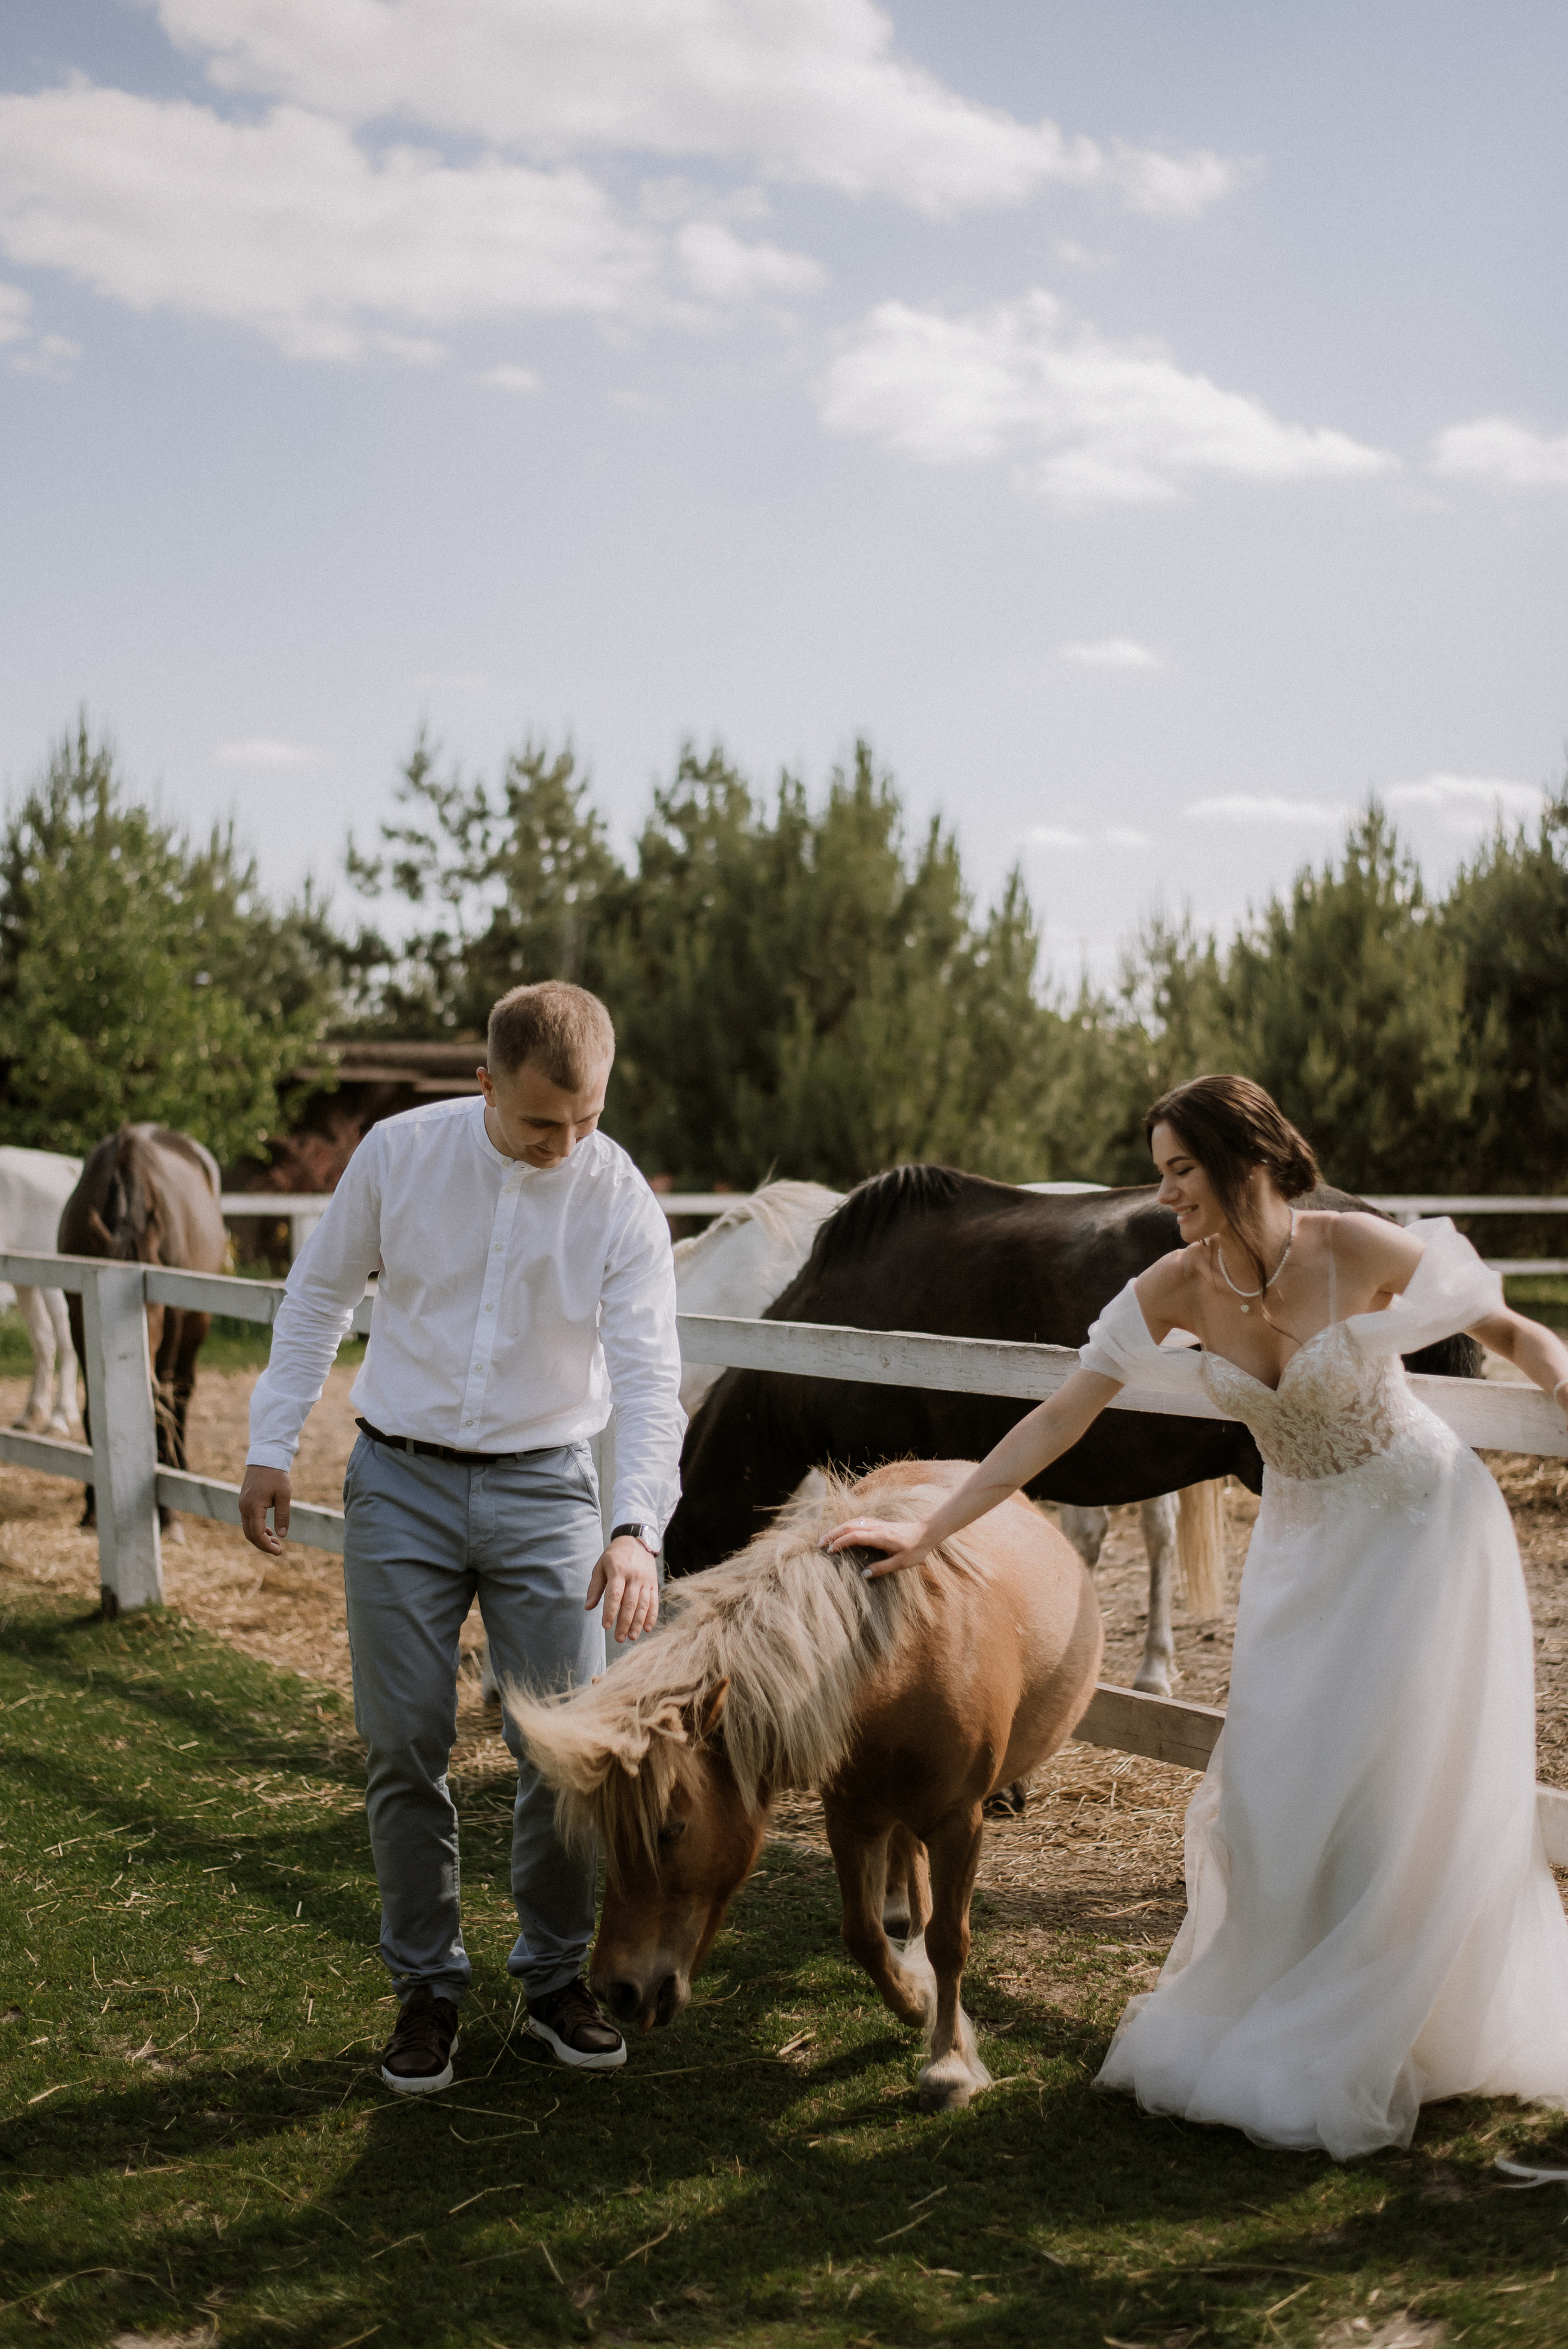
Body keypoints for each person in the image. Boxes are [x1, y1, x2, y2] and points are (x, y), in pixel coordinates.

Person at [825, 1073, 1568, 2159]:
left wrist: (1561, 1383)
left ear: (1246, 1162)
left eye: (1181, 1169)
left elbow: (1513, 1330)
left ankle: (1408, 2016)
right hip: (1304, 1555)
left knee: (1411, 1779)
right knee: (1277, 1787)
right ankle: (1309, 2002)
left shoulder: (1351, 1247)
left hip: (1421, 1530)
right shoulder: (1176, 1282)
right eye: (1163, 1170)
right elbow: (1058, 1419)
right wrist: (932, 1527)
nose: (1166, 1190)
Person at [239, 982, 685, 2095]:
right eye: (543, 1122)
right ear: (483, 1084)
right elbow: (315, 1299)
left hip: (549, 1489)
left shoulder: (618, 1193)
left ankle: (550, 1979)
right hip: (401, 1479)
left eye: (586, 1120)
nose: (567, 1143)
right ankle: (427, 1987)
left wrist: (634, 1526)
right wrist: (268, 1441)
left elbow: (649, 1376)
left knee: (562, 1749)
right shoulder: (398, 1154)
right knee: (404, 1741)